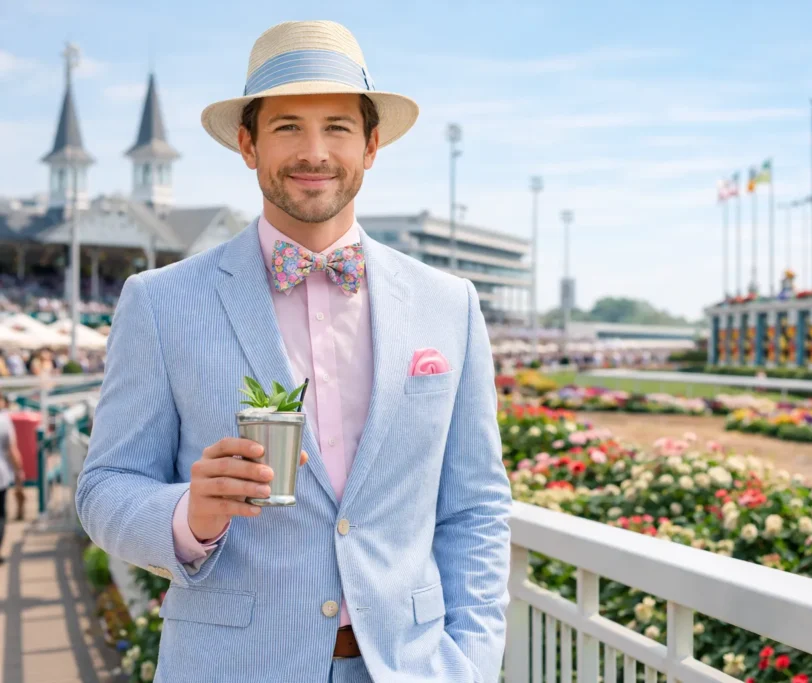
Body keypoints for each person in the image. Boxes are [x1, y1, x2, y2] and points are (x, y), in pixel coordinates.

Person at [76, 21, 511, 683]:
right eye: (287, 128)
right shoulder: (160, 302)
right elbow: (103, 488)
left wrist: (471, 664)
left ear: (371, 145)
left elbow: (475, 506)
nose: (314, 152)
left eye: (337, 126)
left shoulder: (449, 304)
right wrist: (187, 515)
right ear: (248, 145)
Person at [0, 394, 26, 563]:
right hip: (1, 475)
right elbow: (12, 450)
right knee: (0, 515)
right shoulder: (4, 421)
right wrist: (19, 471)